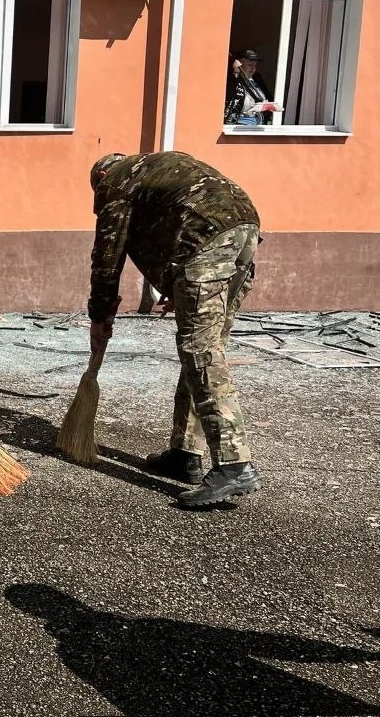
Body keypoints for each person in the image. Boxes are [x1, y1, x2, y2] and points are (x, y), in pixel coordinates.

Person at [87, 151, 261, 508]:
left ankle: (234, 465)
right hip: (244, 229)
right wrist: (176, 281)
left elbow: (108, 255)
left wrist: (100, 313)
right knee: (205, 345)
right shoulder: (156, 170)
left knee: (201, 350)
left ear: (100, 178)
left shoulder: (116, 182)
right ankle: (185, 452)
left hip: (207, 242)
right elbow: (173, 225)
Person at [223, 49, 278, 125]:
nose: (253, 68)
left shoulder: (257, 78)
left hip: (259, 122)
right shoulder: (233, 79)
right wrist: (236, 72)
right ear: (240, 64)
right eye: (250, 65)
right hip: (239, 124)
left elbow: (268, 97)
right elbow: (230, 95)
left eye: (255, 66)